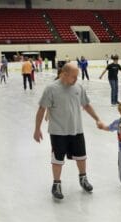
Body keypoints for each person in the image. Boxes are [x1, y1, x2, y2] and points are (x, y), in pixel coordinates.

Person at [33, 63, 104, 200]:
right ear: (64, 74)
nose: (76, 79)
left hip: (76, 129)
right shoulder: (51, 89)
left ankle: (83, 179)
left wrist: (97, 119)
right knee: (57, 159)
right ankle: (56, 184)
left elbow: (86, 104)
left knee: (81, 156)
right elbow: (42, 109)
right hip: (58, 131)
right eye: (73, 76)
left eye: (77, 76)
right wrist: (37, 129)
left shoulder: (78, 87)